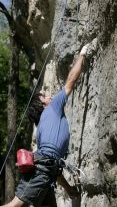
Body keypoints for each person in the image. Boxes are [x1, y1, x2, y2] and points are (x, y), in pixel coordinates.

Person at [0, 43, 90, 207]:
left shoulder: (42, 130)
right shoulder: (54, 106)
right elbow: (71, 80)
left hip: (47, 173)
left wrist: (70, 190)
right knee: (15, 205)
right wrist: (83, 54)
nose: (50, 97)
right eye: (45, 97)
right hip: (42, 171)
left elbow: (52, 165)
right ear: (43, 105)